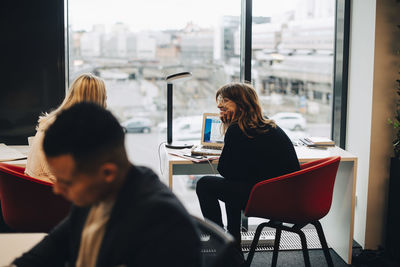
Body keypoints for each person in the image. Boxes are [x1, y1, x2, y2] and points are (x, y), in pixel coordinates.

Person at [13, 102, 201, 267]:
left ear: (108, 173)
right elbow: (52, 247)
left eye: (67, 182)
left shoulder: (163, 226)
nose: (57, 189)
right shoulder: (96, 195)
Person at [196, 82, 300, 252]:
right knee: (233, 183)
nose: (219, 105)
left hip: (267, 197)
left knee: (204, 185)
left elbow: (224, 170)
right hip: (286, 196)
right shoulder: (269, 126)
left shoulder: (237, 129)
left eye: (226, 100)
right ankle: (232, 242)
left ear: (241, 104)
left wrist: (228, 134)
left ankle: (221, 240)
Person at [25, 73, 107, 183]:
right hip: (52, 194)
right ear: (96, 101)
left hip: (37, 191)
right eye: (104, 99)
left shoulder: (56, 121)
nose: (106, 104)